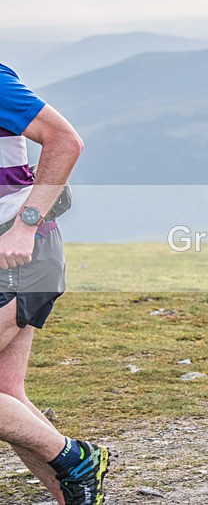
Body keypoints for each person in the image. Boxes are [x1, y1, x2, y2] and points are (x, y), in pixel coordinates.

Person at [0, 63, 109, 504]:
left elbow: (66, 140)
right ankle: (77, 493)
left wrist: (26, 225)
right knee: (7, 396)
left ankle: (75, 457)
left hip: (21, 252)